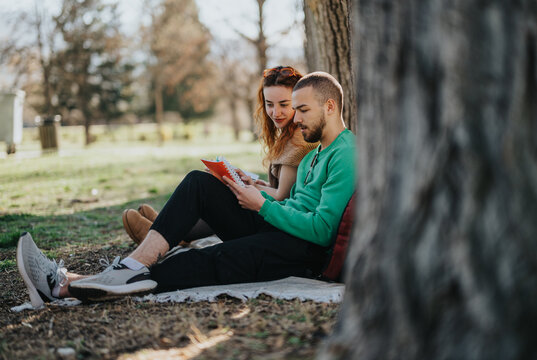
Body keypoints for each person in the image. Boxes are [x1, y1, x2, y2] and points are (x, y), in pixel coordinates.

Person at [16, 71, 356, 306]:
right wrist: (255, 196)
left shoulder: (346, 153)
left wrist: (263, 206)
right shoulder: (318, 152)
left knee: (205, 262)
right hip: (280, 231)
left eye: (302, 110)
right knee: (199, 182)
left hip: (302, 253)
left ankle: (67, 286)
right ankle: (130, 267)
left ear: (329, 106)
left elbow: (323, 231)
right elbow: (295, 205)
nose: (295, 119)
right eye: (294, 110)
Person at [121, 66, 317, 245]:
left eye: (284, 104)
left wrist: (245, 187)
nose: (276, 112)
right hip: (273, 219)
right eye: (269, 104)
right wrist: (251, 183)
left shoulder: (299, 141)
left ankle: (167, 232)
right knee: (223, 187)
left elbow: (281, 196)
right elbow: (284, 190)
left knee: (213, 191)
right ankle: (171, 230)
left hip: (275, 229)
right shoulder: (290, 135)